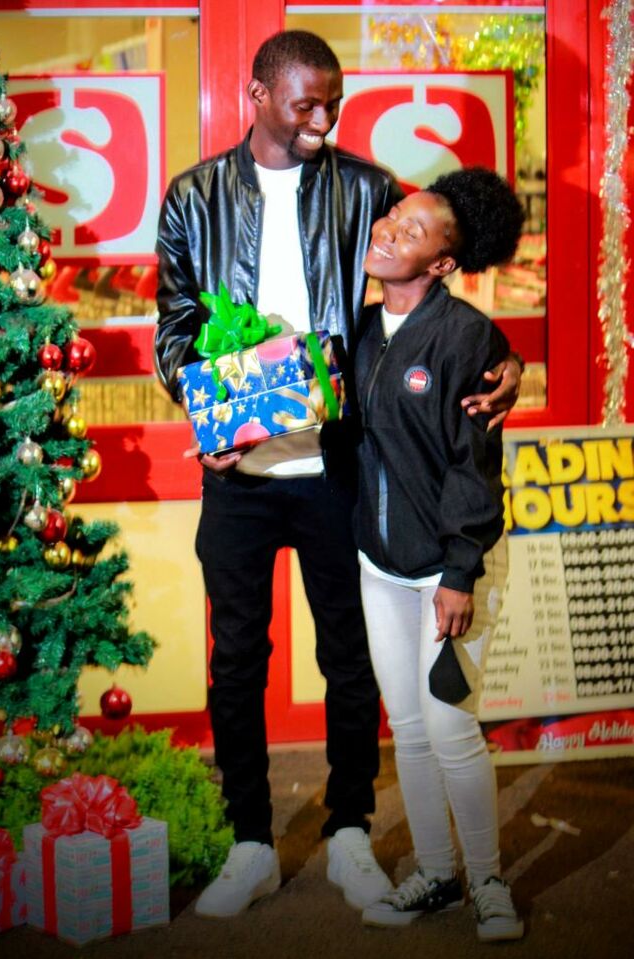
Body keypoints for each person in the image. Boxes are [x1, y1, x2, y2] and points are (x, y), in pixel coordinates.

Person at [155, 30, 522, 919]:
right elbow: (174, 325)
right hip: (239, 473)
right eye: (305, 104)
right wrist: (203, 410)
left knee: (349, 658)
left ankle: (351, 826)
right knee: (236, 658)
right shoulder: (193, 198)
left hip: (340, 466)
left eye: (334, 104)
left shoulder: (364, 188)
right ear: (257, 96)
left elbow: (431, 279)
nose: (323, 119)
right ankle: (251, 839)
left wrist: (506, 358)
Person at [353, 167, 525, 942]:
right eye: (394, 217)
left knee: (450, 724)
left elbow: (472, 468)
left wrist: (459, 573)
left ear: (444, 262)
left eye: (413, 230)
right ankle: (436, 871)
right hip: (380, 565)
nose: (390, 230)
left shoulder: (466, 338)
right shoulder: (362, 329)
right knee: (409, 727)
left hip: (452, 569)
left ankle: (487, 879)